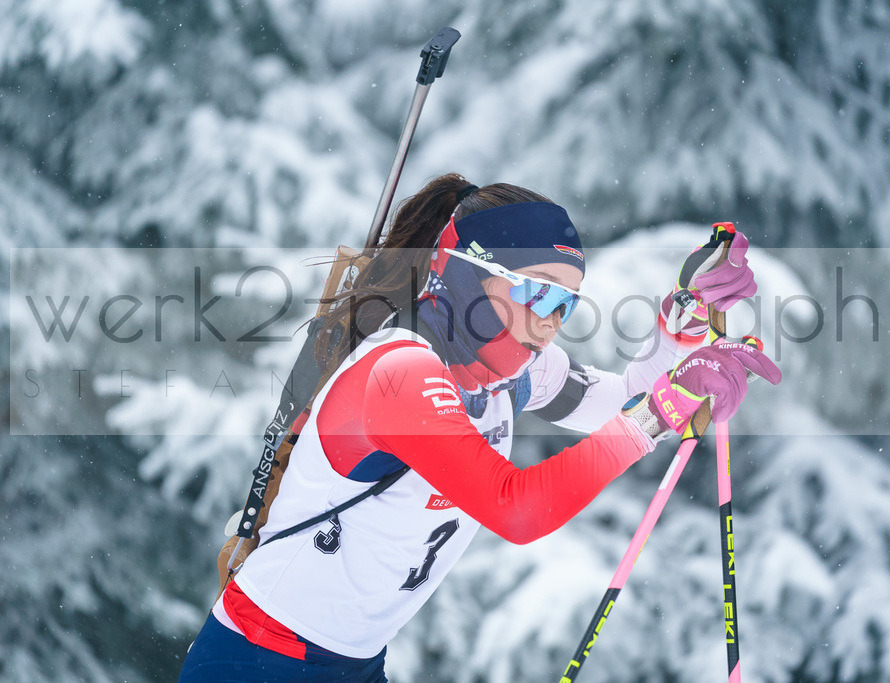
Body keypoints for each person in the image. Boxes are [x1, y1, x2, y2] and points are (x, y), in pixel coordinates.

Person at [178, 173, 781, 681]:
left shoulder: (504, 374)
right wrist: (662, 409)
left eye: (565, 305)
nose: (550, 324)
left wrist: (681, 326)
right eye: (539, 295)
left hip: (356, 664)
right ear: (462, 274)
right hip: (260, 659)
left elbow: (626, 402)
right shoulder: (400, 372)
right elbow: (515, 509)